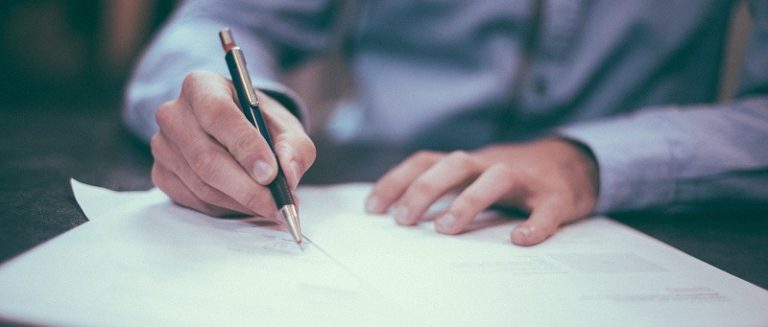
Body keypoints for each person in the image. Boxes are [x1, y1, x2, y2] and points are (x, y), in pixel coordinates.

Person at [124, 0, 768, 246]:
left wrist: (590, 159)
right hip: (373, 195)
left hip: (653, 221)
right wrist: (239, 111)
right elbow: (223, 20)